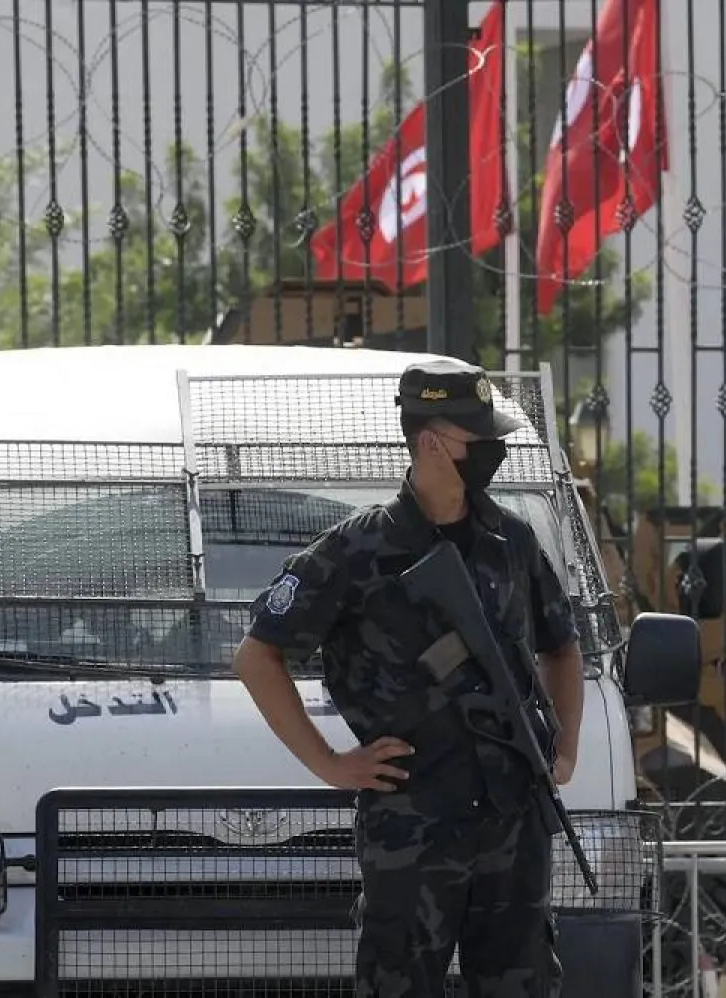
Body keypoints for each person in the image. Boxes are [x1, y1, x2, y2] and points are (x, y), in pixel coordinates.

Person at [233, 356, 585, 998]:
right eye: (481, 439)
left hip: (512, 817)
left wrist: (563, 750)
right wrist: (330, 763)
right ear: (431, 440)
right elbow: (257, 657)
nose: (494, 452)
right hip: (414, 822)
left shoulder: (513, 541)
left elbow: (563, 647)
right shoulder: (355, 552)